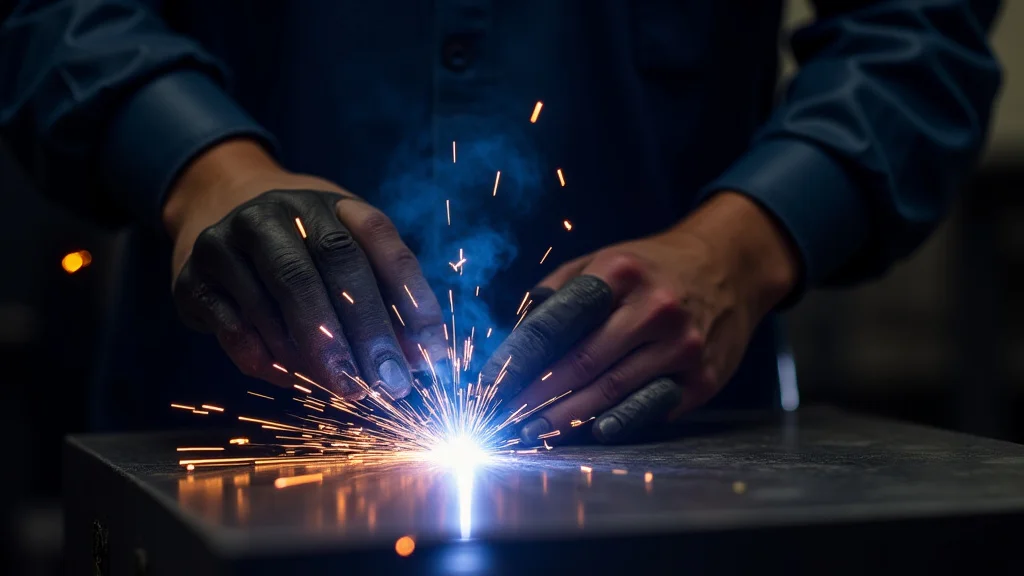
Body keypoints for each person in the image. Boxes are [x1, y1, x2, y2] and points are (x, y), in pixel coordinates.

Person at [0, 1, 1001, 438]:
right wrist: (206, 169)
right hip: (211, 412)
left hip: (676, 433)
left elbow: (913, 30)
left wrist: (735, 250)